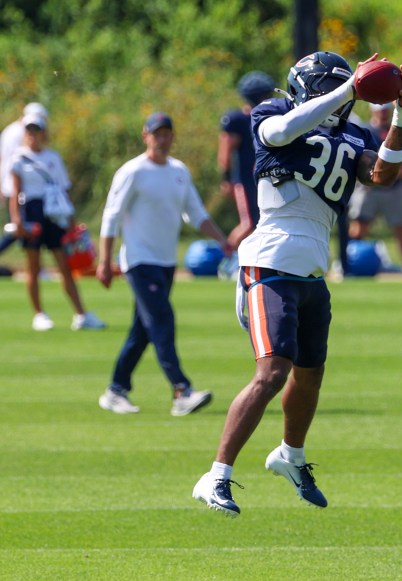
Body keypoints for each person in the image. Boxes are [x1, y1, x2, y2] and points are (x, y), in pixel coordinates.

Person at [192, 51, 402, 516]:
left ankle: (289, 455)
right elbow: (281, 133)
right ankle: (215, 476)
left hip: (311, 269)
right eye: (328, 87)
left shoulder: (354, 134)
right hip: (267, 263)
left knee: (310, 375)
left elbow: (384, 174)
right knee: (272, 372)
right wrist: (349, 88)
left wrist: (401, 112)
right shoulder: (270, 113)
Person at [96, 112, 233, 417]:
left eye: (167, 133)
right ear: (145, 136)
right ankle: (181, 390)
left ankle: (116, 389)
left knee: (143, 330)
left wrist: (223, 240)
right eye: (156, 133)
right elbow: (112, 216)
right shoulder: (133, 171)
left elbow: (196, 213)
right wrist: (105, 260)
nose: (162, 138)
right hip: (139, 261)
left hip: (166, 262)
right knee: (162, 321)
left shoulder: (178, 171)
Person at [9, 111, 106, 331]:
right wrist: (17, 221)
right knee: (33, 266)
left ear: (44, 132)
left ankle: (81, 314)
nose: (33, 134)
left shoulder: (53, 158)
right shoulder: (18, 159)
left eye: (37, 129)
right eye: (29, 129)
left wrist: (71, 221)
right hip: (31, 212)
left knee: (65, 266)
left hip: (54, 214)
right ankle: (39, 314)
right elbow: (15, 193)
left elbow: (63, 191)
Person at [348, 101, 402, 281]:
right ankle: (346, 262)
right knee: (359, 227)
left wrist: (390, 176)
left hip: (393, 188)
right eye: (380, 111)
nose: (383, 114)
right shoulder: (365, 130)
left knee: (400, 229)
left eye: (386, 111)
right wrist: (373, 177)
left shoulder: (398, 132)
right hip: (368, 188)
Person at [218, 70, 276, 249]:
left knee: (260, 223)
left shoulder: (267, 117)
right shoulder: (238, 119)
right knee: (249, 223)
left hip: (261, 180)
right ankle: (226, 257)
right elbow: (225, 151)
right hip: (244, 180)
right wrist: (226, 178)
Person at [0, 102, 48, 254]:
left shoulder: (9, 130)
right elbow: (19, 163)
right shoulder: (21, 132)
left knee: (21, 229)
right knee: (21, 228)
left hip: (9, 185)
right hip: (20, 188)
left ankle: (33, 267)